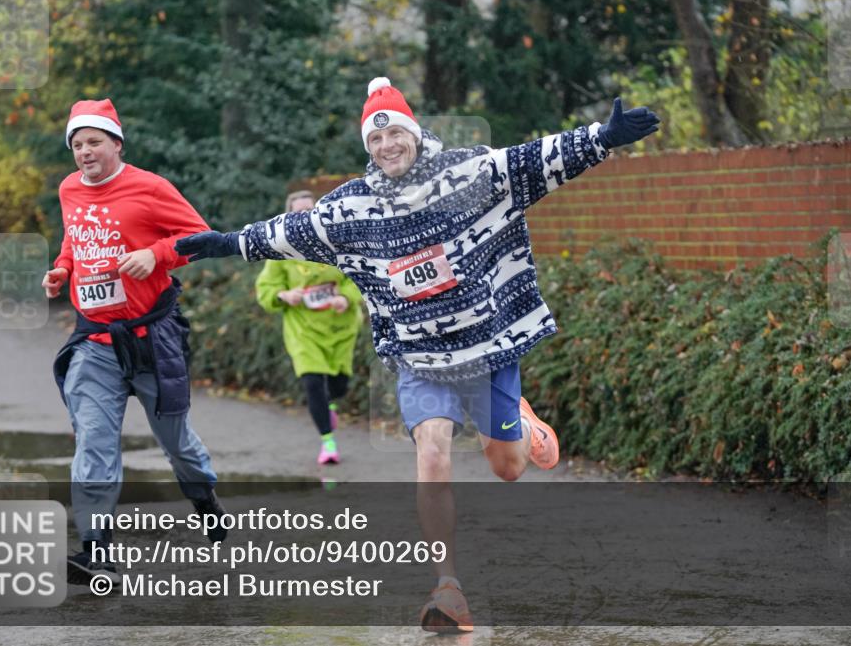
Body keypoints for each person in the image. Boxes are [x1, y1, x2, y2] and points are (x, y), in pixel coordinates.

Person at [175, 78, 659, 632]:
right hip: (419, 354)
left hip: (487, 344)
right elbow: (288, 232)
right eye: (375, 139)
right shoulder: (353, 207)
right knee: (431, 451)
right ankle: (447, 587)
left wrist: (604, 136)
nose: (386, 145)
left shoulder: (470, 172)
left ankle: (521, 424)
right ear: (368, 148)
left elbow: (536, 161)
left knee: (507, 468)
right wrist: (224, 242)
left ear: (413, 131)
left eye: (394, 132)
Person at [42, 98, 228, 587]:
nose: (85, 152)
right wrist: (63, 268)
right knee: (94, 443)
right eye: (77, 144)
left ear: (116, 144)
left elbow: (201, 237)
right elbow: (74, 236)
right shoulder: (68, 189)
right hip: (94, 340)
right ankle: (97, 552)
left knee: (177, 444)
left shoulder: (150, 187)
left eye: (94, 142)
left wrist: (156, 253)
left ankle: (204, 496)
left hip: (152, 337)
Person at [254, 190, 364, 464]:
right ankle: (328, 443)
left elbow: (358, 277)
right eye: (297, 211)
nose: (303, 216)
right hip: (303, 328)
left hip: (340, 326)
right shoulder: (279, 251)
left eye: (308, 210)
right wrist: (283, 295)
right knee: (313, 383)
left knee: (339, 385)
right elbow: (267, 288)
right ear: (287, 216)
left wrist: (345, 297)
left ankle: (332, 404)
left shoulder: (336, 242)